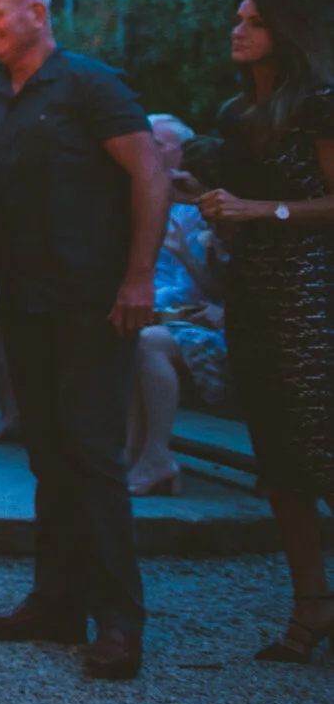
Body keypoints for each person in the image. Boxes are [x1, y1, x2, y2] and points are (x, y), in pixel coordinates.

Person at [0, 0, 170, 681]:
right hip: (22, 301)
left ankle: (119, 620)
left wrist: (138, 276)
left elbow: (150, 174)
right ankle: (56, 603)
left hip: (92, 300)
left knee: (91, 454)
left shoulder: (90, 85)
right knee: (47, 454)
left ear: (38, 12)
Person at [194, 0, 334, 663]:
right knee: (276, 455)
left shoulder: (318, 104)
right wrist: (212, 205)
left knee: (320, 444)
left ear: (286, 30)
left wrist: (262, 211)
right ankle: (312, 603)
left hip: (312, 290)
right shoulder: (236, 113)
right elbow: (237, 205)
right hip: (253, 290)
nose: (238, 30)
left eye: (254, 21)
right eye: (237, 19)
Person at [126, 114, 230, 497]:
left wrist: (229, 313)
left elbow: (218, 289)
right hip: (205, 320)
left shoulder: (237, 218)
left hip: (240, 333)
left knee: (147, 340)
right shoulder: (200, 217)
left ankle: (155, 456)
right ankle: (132, 452)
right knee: (130, 334)